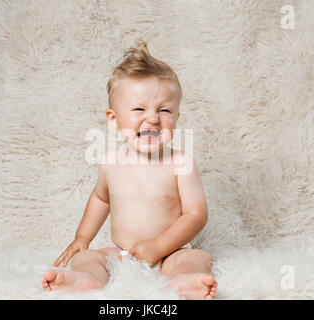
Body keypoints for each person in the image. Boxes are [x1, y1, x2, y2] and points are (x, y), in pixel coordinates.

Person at [42, 41, 217, 299]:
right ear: (114, 119)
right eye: (139, 109)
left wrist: (159, 246)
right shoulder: (110, 163)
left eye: (165, 110)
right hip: (122, 252)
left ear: (177, 118)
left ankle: (184, 283)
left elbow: (196, 215)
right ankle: (86, 280)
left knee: (197, 258)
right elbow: (100, 199)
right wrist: (82, 238)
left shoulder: (182, 163)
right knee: (88, 258)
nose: (153, 119)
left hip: (171, 251)